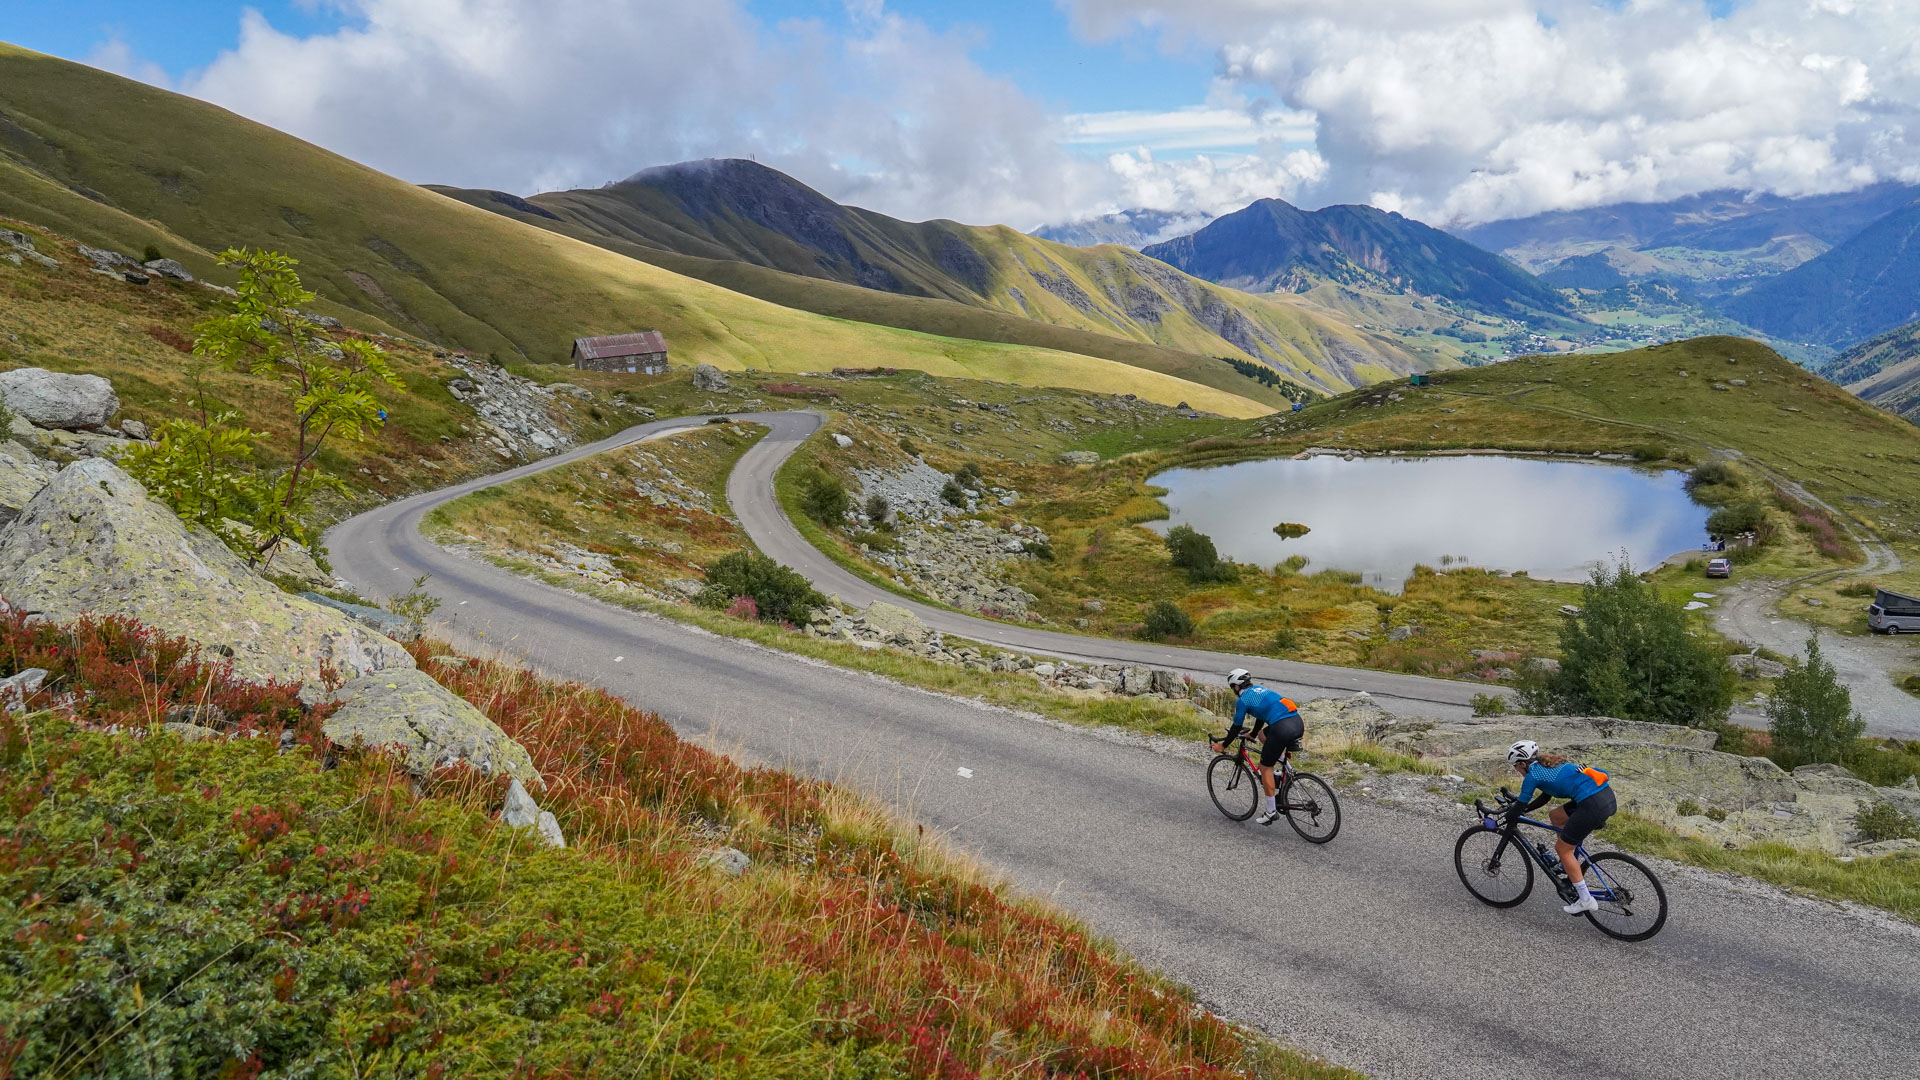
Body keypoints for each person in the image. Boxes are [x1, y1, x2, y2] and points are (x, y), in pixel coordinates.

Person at [1507, 740, 1618, 914]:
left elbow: (1520, 805)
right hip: (1605, 797)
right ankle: (1567, 865)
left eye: (1516, 767)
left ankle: (1585, 899)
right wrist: (1523, 808)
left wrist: (1507, 815)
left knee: (1563, 849)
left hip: (1592, 805)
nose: (1517, 770)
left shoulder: (1532, 776)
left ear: (1522, 763)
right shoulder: (1547, 766)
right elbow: (1544, 797)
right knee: (1556, 816)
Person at [1211, 669, 1304, 826]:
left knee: (1264, 767)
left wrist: (1223, 745)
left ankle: (1270, 812)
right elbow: (1261, 716)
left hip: (1281, 728)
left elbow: (1236, 727)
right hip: (1296, 722)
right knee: (1263, 735)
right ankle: (1285, 768)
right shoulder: (1260, 690)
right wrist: (1253, 734)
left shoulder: (1243, 700)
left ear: (1235, 686)